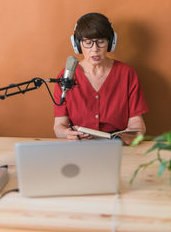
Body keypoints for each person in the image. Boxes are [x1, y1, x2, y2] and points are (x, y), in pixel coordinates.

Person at [53, 12, 149, 145]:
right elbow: (59, 127)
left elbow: (137, 123)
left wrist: (133, 133)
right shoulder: (66, 76)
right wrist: (67, 133)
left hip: (117, 146)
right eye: (88, 42)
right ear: (77, 44)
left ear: (111, 43)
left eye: (101, 42)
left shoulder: (127, 73)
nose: (95, 49)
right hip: (80, 146)